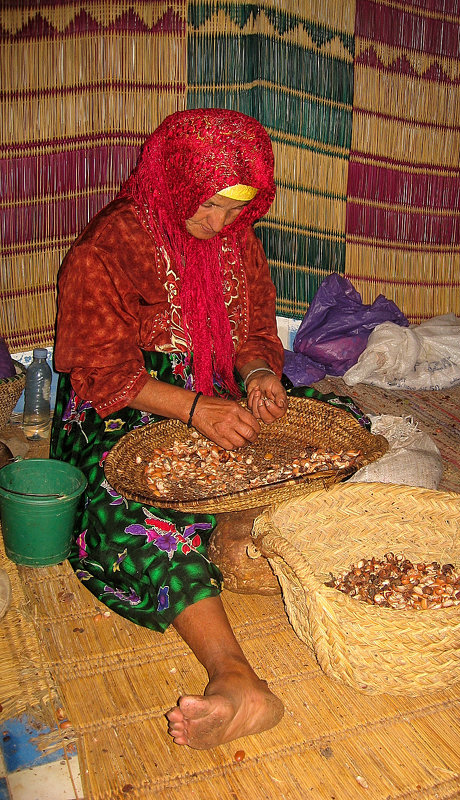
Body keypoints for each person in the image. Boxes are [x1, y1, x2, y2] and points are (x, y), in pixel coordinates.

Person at [51, 108, 289, 750]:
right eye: (209, 207)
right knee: (129, 503)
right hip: (127, 399)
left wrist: (261, 373)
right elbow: (102, 374)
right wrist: (192, 409)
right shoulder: (110, 246)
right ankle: (235, 674)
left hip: (210, 384)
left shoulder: (235, 241)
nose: (221, 224)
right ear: (177, 184)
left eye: (236, 209)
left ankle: (232, 525)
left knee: (322, 434)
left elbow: (253, 333)